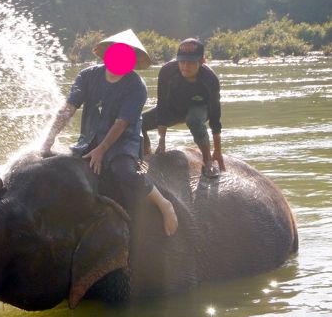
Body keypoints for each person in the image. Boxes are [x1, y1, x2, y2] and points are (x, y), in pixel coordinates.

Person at [42, 30, 178, 236]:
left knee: (124, 171)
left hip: (124, 141)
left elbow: (121, 123)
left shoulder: (136, 86)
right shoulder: (87, 76)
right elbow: (68, 108)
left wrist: (101, 150)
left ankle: (163, 203)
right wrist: (49, 138)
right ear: (107, 55)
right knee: (63, 168)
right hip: (90, 138)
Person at [142, 38, 225, 178]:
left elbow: (215, 116)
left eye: (191, 62)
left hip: (199, 108)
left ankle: (207, 160)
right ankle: (146, 155)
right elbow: (161, 104)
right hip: (173, 108)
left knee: (194, 119)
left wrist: (217, 150)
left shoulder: (210, 79)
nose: (185, 66)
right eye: (182, 61)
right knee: (138, 121)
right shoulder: (167, 71)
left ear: (202, 61)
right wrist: (161, 140)